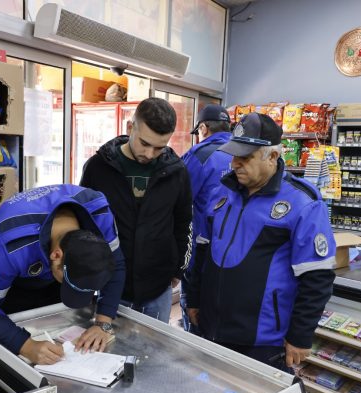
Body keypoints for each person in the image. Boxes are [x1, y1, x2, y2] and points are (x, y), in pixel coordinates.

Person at [186, 112, 336, 371]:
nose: (235, 164)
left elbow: (317, 276)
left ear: (273, 157)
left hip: (263, 339)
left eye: (245, 157)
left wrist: (300, 335)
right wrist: (194, 299)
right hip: (211, 326)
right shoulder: (222, 192)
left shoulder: (303, 203)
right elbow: (202, 250)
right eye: (234, 155)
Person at [0, 184, 126, 365]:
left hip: (49, 277)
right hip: (12, 284)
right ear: (56, 255)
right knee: (9, 356)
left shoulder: (99, 215)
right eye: (69, 283)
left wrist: (103, 322)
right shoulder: (9, 245)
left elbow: (116, 265)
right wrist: (26, 346)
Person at [80, 97, 192, 323]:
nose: (150, 154)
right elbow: (83, 221)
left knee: (155, 345)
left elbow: (184, 223)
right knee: (110, 343)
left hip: (158, 286)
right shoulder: (98, 167)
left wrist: (178, 269)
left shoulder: (177, 172)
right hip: (111, 285)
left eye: (159, 147)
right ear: (130, 127)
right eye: (144, 143)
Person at [180, 104, 232, 332]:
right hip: (237, 251)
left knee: (195, 314)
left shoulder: (199, 155)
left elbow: (178, 200)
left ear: (203, 128)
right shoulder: (246, 152)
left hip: (202, 250)